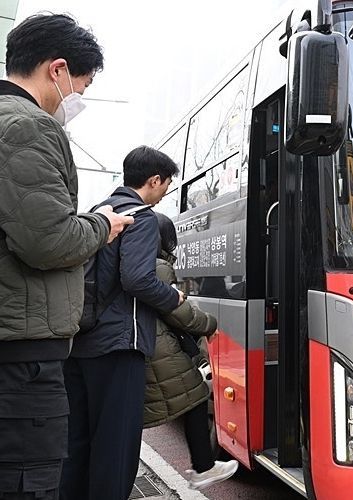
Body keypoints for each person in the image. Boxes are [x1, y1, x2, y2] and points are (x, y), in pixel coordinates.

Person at [0, 14, 133, 500]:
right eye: (83, 83)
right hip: (22, 361)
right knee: (29, 483)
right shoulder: (27, 127)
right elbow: (48, 242)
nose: (78, 96)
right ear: (56, 69)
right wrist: (102, 226)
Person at [60, 147, 183, 500]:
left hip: (81, 340)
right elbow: (137, 279)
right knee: (115, 445)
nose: (165, 192)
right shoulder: (141, 217)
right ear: (154, 180)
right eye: (167, 184)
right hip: (118, 345)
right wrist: (172, 297)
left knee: (77, 440)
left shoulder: (99, 213)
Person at [144, 213, 239, 490]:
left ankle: (203, 466)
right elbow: (177, 312)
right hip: (158, 346)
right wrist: (209, 323)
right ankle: (203, 467)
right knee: (195, 395)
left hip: (145, 343)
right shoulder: (158, 267)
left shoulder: (136, 262)